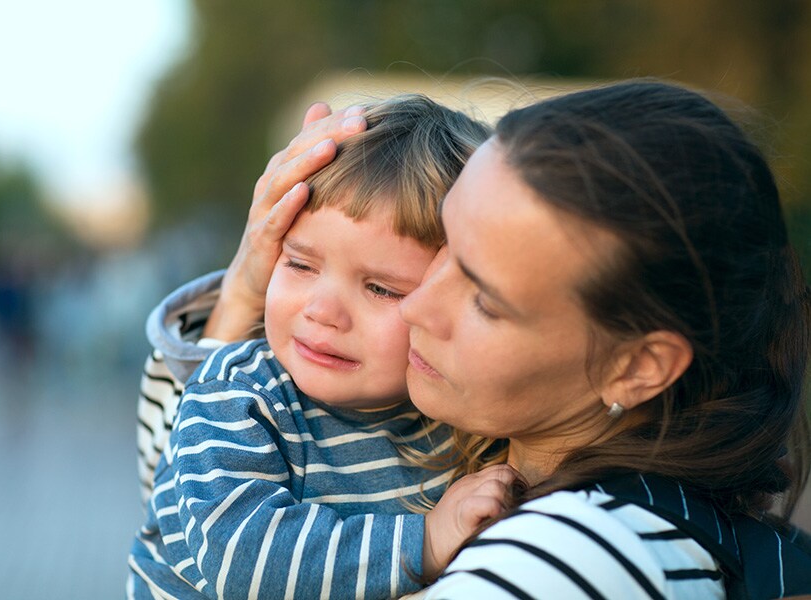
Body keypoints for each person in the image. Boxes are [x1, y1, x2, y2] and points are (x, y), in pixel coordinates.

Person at [142, 79, 811, 598]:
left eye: (484, 299)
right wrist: (240, 296)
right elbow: (184, 501)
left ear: (637, 367)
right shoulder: (495, 450)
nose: (418, 310)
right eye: (444, 257)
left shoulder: (562, 559)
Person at [128, 95, 515, 599]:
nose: (322, 311)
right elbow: (242, 558)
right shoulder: (239, 394)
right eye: (300, 265)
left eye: (381, 288)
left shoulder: (457, 422)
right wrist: (425, 540)